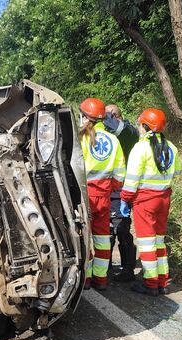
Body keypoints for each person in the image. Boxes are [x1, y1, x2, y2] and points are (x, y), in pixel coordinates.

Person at [119, 108, 182, 296]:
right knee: (159, 241)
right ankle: (162, 281)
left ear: (145, 126)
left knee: (146, 243)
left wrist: (125, 199)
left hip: (145, 201)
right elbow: (177, 173)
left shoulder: (141, 148)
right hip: (164, 198)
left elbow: (132, 179)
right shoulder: (171, 147)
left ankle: (150, 283)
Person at [79, 97, 126, 291]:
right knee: (102, 238)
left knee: (85, 238)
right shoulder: (114, 140)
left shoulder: (81, 138)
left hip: (85, 196)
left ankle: (87, 279)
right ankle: (101, 279)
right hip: (105, 196)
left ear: (84, 117)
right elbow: (120, 173)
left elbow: (74, 169)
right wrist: (109, 187)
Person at [103, 104, 138, 282]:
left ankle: (128, 270)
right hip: (105, 190)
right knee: (105, 232)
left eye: (109, 115)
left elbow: (121, 130)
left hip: (122, 191)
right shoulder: (106, 135)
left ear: (115, 116)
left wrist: (103, 117)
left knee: (122, 229)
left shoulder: (129, 132)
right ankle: (105, 269)